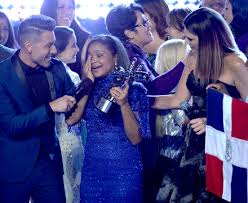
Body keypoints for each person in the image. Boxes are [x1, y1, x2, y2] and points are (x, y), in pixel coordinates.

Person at [152, 7, 248, 202]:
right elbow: (177, 99)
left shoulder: (236, 63)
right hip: (193, 146)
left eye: (191, 39)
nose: (185, 43)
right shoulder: (192, 57)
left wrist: (212, 121)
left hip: (225, 149)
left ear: (209, 37)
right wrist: (137, 101)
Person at [0, 15, 79, 203]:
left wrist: (89, 84)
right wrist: (51, 107)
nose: (53, 50)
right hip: (13, 166)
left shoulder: (56, 68)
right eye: (48, 45)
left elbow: (73, 99)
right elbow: (12, 126)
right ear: (28, 46)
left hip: (48, 161)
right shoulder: (2, 75)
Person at [67, 35, 151, 202]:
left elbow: (136, 138)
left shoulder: (135, 89)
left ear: (115, 58)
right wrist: (87, 84)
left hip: (124, 173)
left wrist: (124, 103)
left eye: (99, 55)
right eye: (89, 56)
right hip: (92, 171)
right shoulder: (86, 88)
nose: (93, 61)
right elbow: (71, 120)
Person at [54, 26, 83, 203]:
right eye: (73, 45)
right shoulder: (70, 76)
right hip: (67, 142)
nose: (78, 49)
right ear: (58, 47)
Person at [106, 3, 157, 82]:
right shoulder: (132, 57)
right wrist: (183, 64)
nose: (149, 25)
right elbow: (156, 87)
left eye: (147, 21)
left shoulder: (127, 52)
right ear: (129, 33)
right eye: (144, 23)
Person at [40, 0, 90, 76]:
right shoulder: (37, 37)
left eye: (70, 7)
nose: (67, 12)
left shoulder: (85, 39)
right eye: (61, 7)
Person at [134, 0, 169, 67]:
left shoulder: (176, 46)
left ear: (156, 14)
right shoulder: (132, 50)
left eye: (141, 13)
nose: (137, 18)